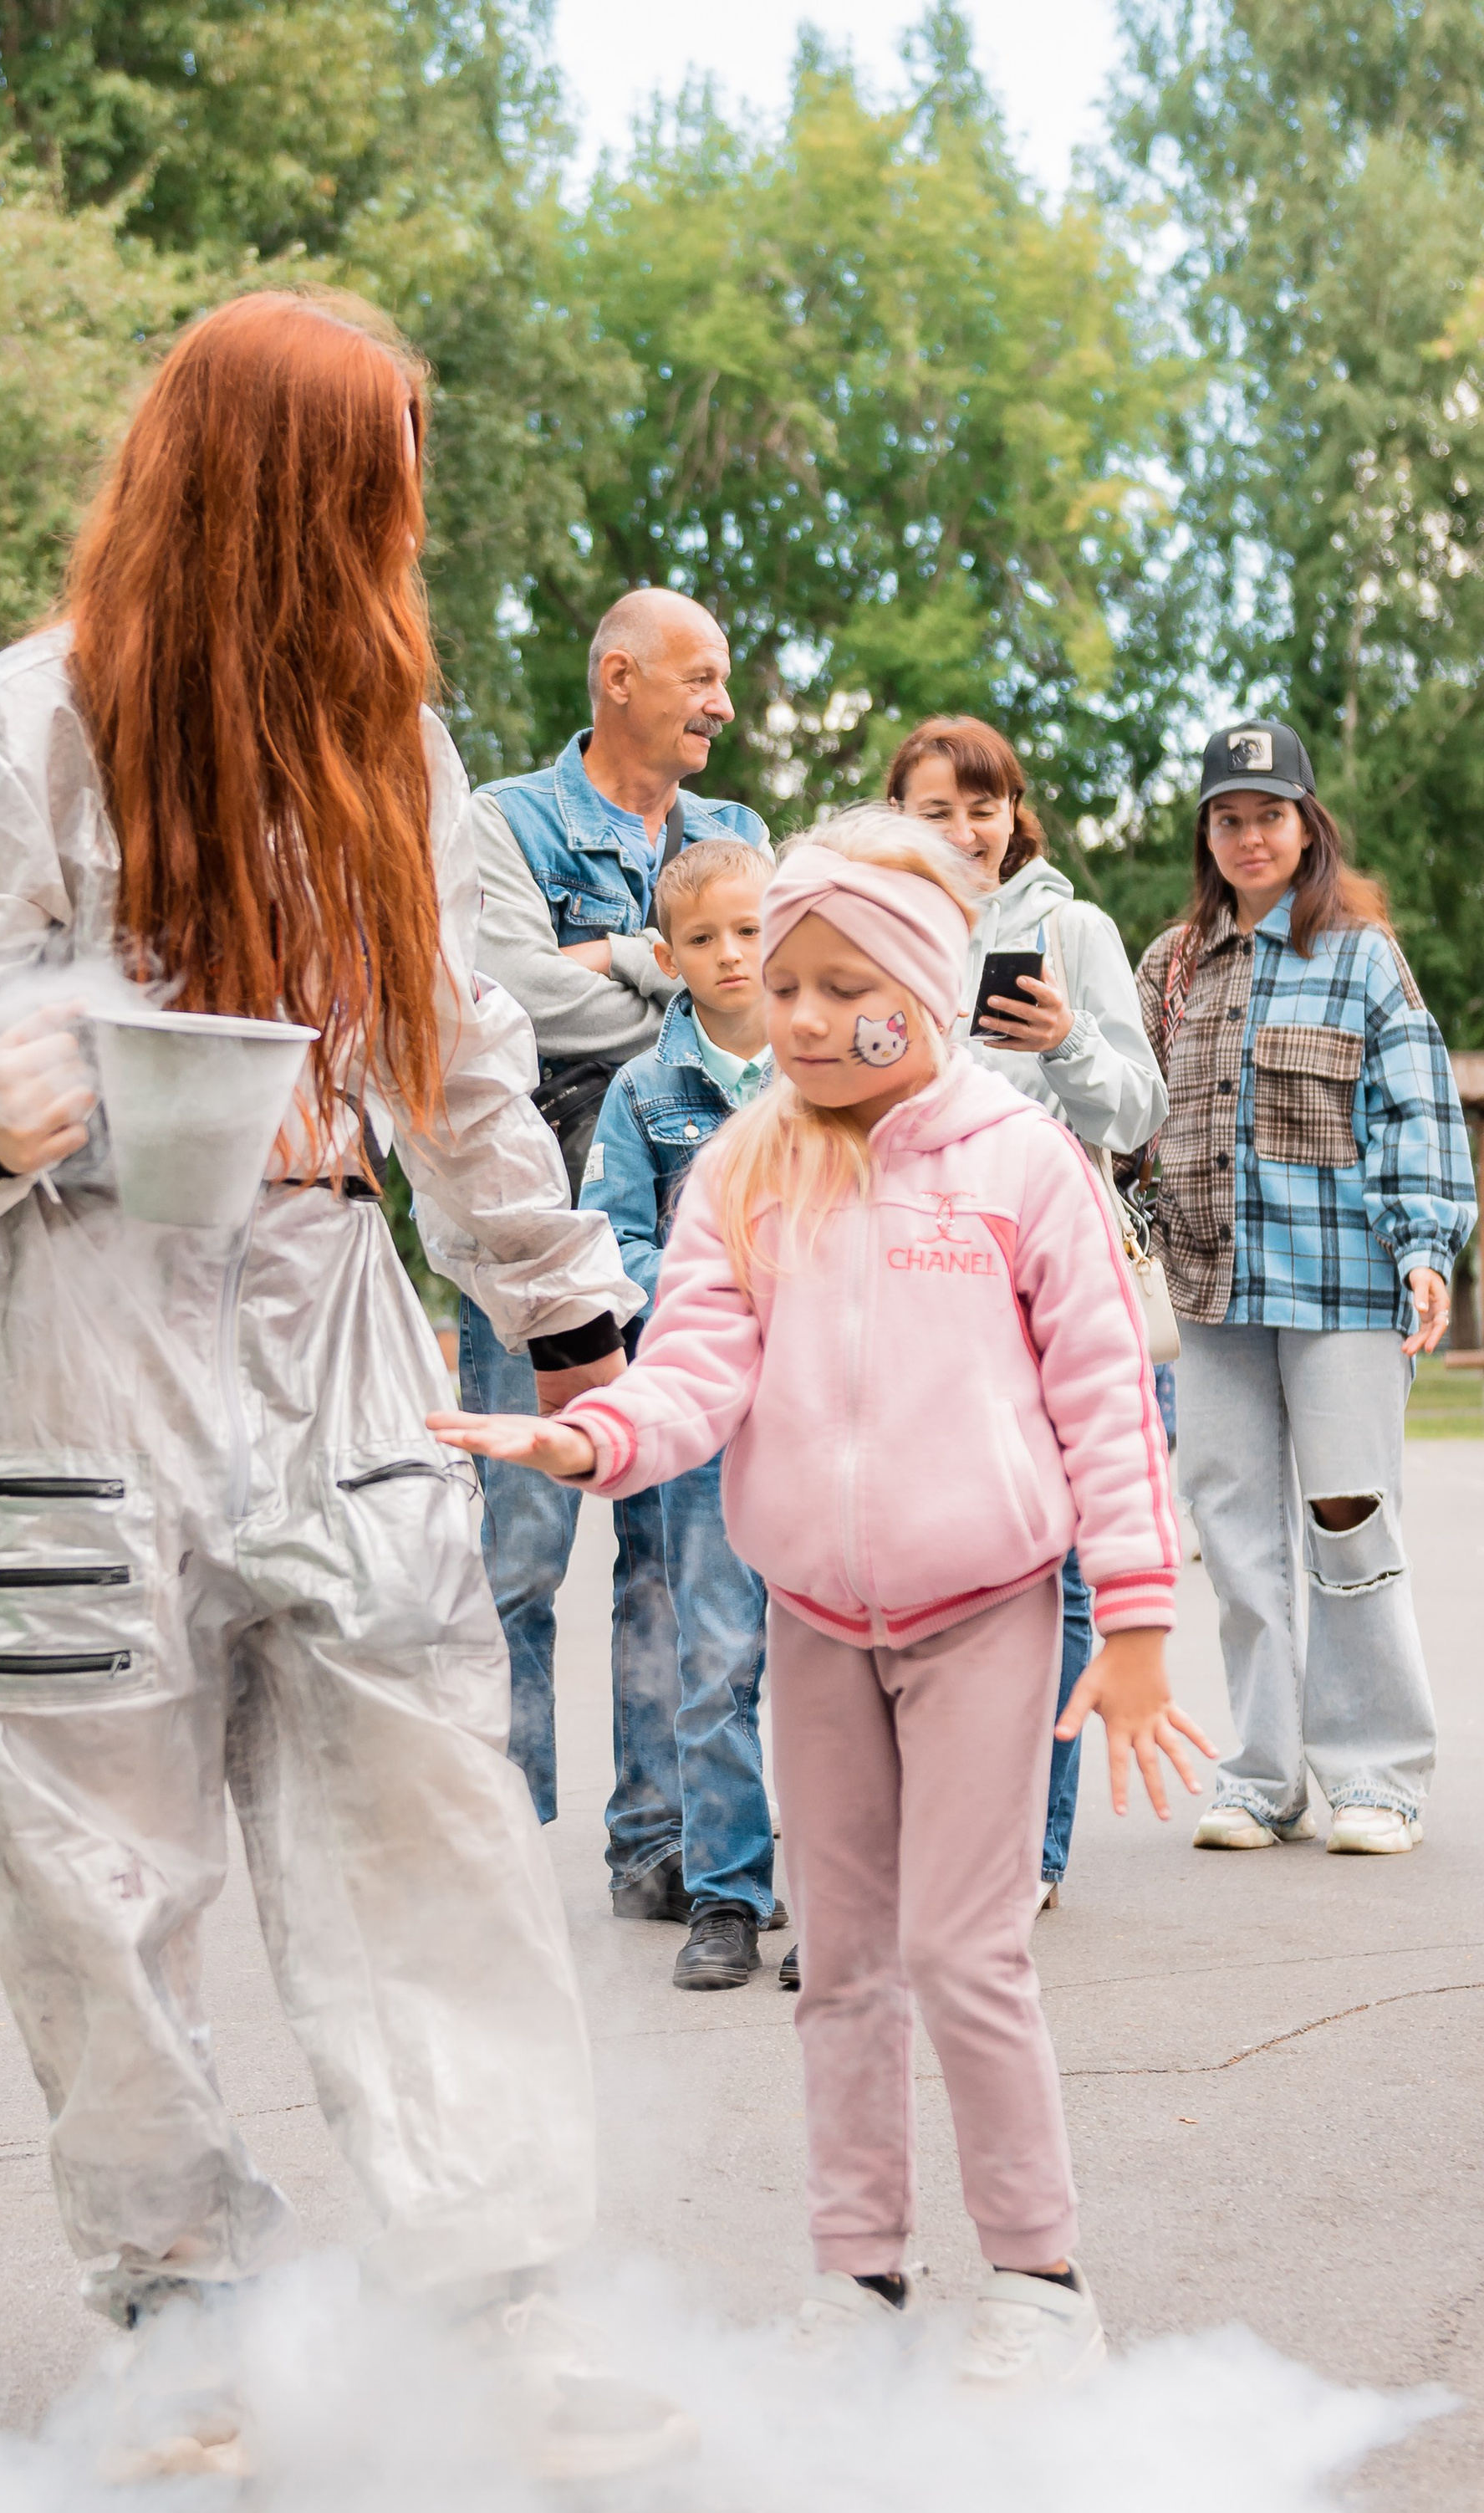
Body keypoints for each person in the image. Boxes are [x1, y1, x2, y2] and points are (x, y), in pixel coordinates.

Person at [0, 289, 688, 2479]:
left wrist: (573, 1313)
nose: (406, 511)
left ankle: (504, 2306)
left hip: (335, 1322)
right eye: (379, 469)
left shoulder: (381, 748)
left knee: (434, 1822)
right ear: (280, 485)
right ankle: (184, 2311)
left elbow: (461, 1060)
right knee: (84, 1861)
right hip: (74, 1334)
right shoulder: (6, 733)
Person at [432, 811, 1211, 2393]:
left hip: (988, 1608)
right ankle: (859, 2278)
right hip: (816, 1626)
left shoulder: (1020, 1163)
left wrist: (1132, 1624)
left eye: (839, 983)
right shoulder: (744, 1162)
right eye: (781, 984)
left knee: (964, 1950)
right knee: (842, 1961)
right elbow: (699, 1369)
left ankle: (1042, 2283)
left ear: (920, 991)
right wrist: (593, 1433)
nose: (797, 1016)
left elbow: (1104, 1397)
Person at [460, 592, 768, 1921]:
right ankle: (506, 1846)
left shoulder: (740, 834)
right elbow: (504, 996)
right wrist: (673, 967)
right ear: (618, 676)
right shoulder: (503, 821)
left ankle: (658, 1840)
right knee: (523, 1552)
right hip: (534, 1231)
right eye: (701, 677)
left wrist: (614, 960)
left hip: (697, 1232)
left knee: (665, 1553)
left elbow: (770, 987)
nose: (722, 705)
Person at [1136, 720, 1476, 1856]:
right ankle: (1262, 1776)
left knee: (1348, 1515)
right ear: (1207, 832)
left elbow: (1418, 1111)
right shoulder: (1170, 965)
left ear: (1307, 823)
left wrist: (1427, 1245)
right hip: (1210, 1289)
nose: (1248, 836)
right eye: (1227, 818)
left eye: (1268, 815)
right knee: (1235, 1535)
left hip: (1340, 1281)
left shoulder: (1362, 953)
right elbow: (1135, 1130)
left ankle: (1378, 1772)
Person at [888, 713, 1168, 1914]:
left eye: (983, 804)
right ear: (897, 816)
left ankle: (1029, 1850)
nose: (963, 828)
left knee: (1051, 1569)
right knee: (920, 1552)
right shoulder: (875, 925)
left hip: (1046, 1270)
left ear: (1016, 812)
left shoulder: (1073, 927)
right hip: (908, 1274)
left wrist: (1062, 1044)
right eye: (936, 808)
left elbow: (1135, 1106)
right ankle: (922, 1823)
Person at [582, 836, 782, 1992]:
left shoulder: (824, 1077)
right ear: (668, 956)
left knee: (831, 1663)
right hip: (708, 1418)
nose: (731, 954)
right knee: (714, 1658)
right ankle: (726, 1896)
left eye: (752, 929)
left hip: (826, 1417)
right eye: (703, 938)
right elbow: (615, 1236)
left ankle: (847, 1896)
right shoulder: (644, 1092)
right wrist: (710, 1299)